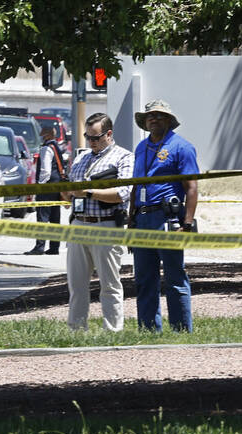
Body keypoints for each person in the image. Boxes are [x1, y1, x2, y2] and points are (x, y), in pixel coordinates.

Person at [128, 100, 199, 332]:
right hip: (142, 220)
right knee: (144, 279)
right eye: (150, 116)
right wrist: (131, 221)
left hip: (167, 219)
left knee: (174, 278)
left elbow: (191, 188)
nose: (154, 119)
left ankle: (181, 330)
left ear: (169, 121)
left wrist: (186, 225)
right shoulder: (140, 147)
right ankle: (148, 329)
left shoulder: (182, 147)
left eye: (160, 115)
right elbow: (135, 187)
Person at [61, 113, 134, 331]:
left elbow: (123, 192)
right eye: (87, 137)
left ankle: (112, 330)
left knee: (109, 284)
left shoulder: (124, 157)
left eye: (95, 138)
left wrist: (90, 192)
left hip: (106, 224)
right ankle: (76, 330)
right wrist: (64, 192)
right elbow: (69, 197)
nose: (91, 142)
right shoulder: (81, 158)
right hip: (78, 223)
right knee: (76, 285)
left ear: (108, 134)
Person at [26, 124, 67, 255]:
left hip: (47, 187)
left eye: (43, 132)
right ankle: (54, 247)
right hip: (57, 186)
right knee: (55, 218)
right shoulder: (56, 147)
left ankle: (39, 247)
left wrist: (40, 185)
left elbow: (45, 170)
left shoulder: (46, 149)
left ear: (47, 134)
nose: (41, 135)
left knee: (42, 217)